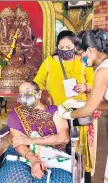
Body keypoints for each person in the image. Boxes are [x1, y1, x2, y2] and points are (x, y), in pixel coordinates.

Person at [58, 28, 108, 183]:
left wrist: (68, 114)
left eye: (80, 54)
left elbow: (90, 108)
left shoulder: (104, 70)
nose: (80, 58)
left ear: (90, 50)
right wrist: (79, 103)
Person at [34, 30, 96, 181]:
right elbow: (37, 82)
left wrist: (86, 87)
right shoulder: (49, 62)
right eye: (61, 48)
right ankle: (59, 175)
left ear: (75, 46)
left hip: (78, 110)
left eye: (68, 47)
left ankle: (81, 175)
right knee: (59, 145)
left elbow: (94, 82)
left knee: (78, 146)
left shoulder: (83, 61)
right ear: (57, 47)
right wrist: (44, 93)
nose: (65, 51)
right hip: (55, 113)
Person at [0, 81, 72, 183]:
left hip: (53, 155)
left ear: (39, 94)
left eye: (28, 91)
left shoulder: (55, 111)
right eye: (22, 93)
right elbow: (17, 142)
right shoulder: (16, 114)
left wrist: (29, 140)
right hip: (23, 155)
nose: (25, 96)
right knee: (13, 178)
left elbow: (64, 138)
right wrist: (33, 160)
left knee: (57, 180)